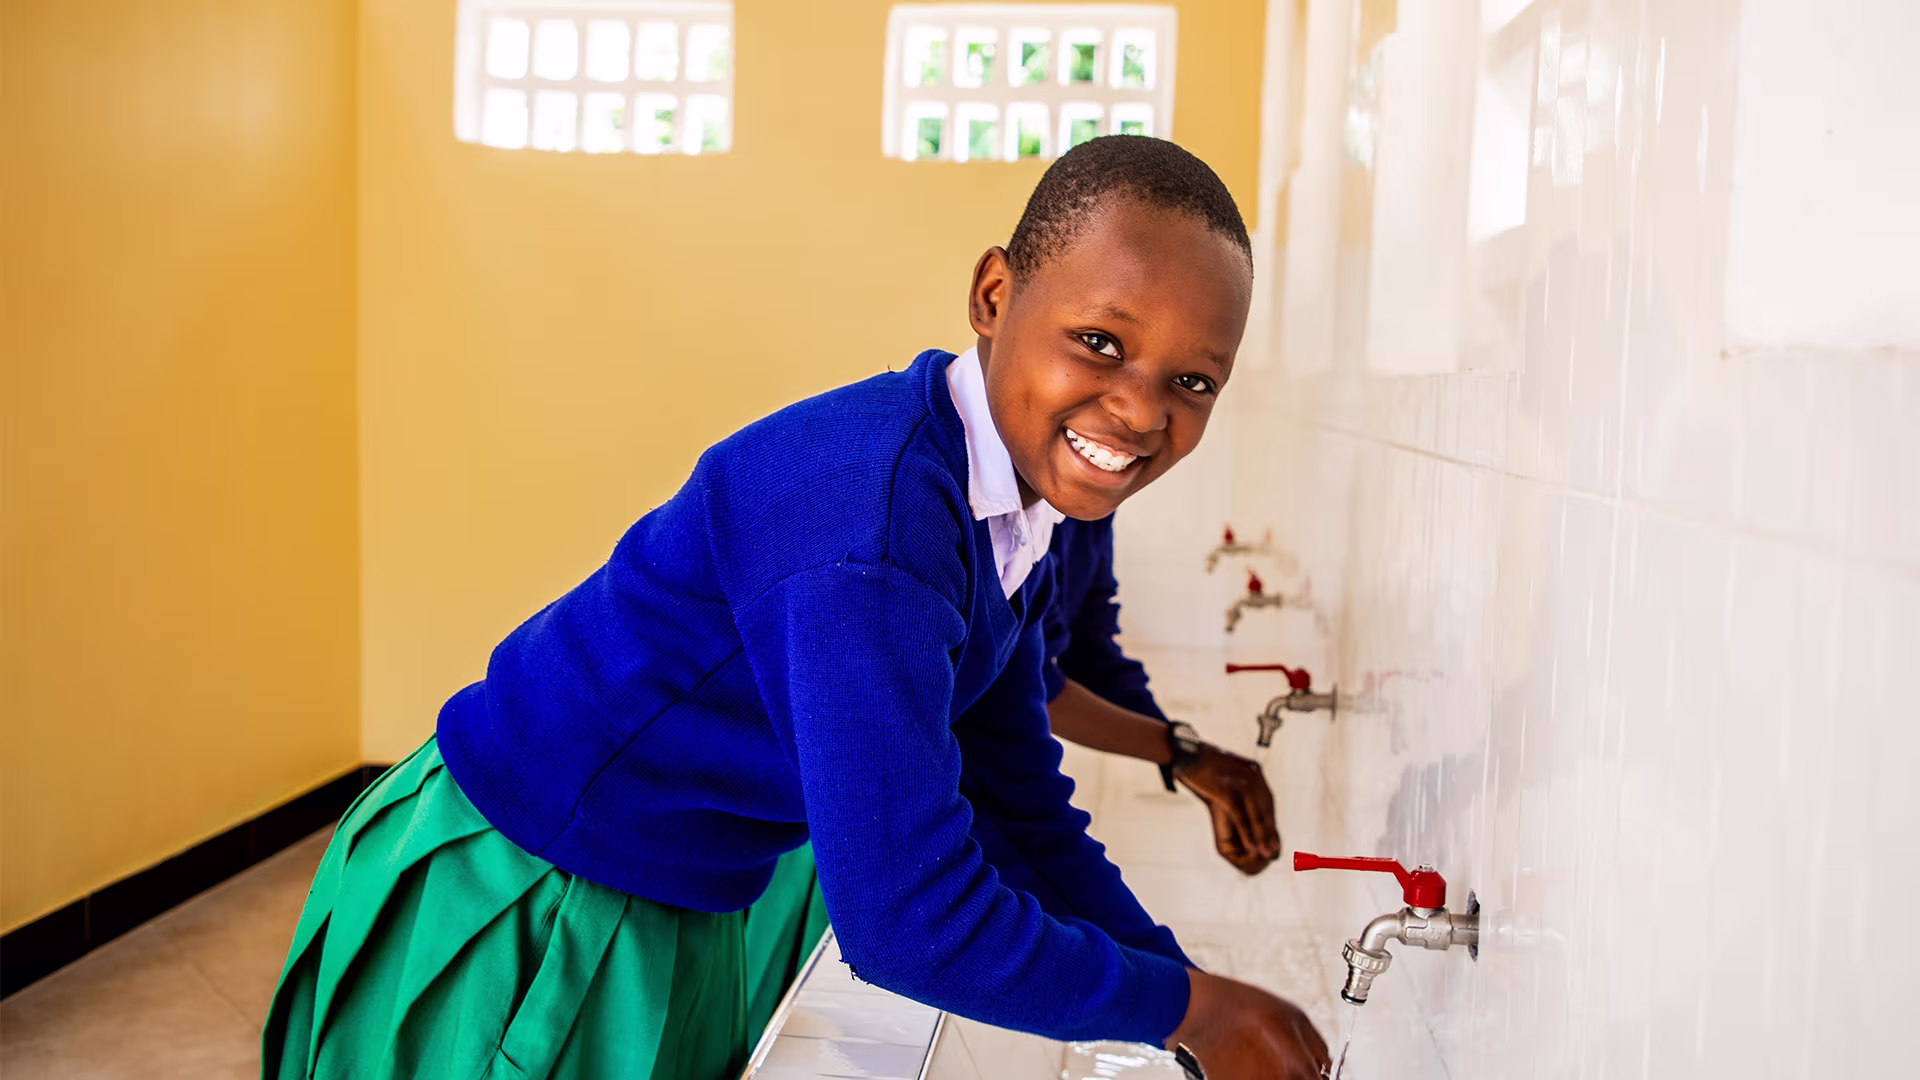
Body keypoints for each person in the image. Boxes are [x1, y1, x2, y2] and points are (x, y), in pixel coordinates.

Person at [261, 136, 1329, 1080]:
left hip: (675, 889)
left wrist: (1191, 1002)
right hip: (530, 891)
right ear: (995, 296)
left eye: (1194, 382)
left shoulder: (1006, 516)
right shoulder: (875, 525)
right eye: (1100, 342)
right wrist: (1190, 1009)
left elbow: (1020, 814)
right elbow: (907, 921)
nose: (1142, 408)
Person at [1043, 516, 1281, 874]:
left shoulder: (1089, 512)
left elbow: (1088, 650)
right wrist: (1183, 753)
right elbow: (1023, 681)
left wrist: (1186, 761)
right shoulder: (1004, 508)